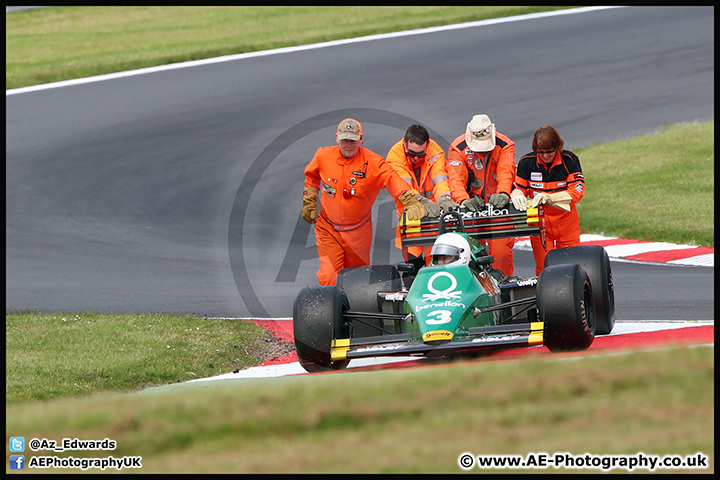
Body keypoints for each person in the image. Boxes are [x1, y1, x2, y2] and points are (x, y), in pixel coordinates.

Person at [301, 118, 427, 286]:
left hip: (358, 233)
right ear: (337, 138)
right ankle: (332, 309)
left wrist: (409, 198)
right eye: (345, 140)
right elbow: (312, 176)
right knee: (329, 277)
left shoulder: (373, 162)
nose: (349, 145)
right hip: (328, 230)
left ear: (361, 139)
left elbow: (391, 178)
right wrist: (309, 199)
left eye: (353, 141)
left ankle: (352, 309)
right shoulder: (323, 156)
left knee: (357, 280)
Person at [386, 123, 458, 286]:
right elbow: (403, 188)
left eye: (421, 154)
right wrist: (420, 201)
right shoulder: (394, 156)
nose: (416, 158)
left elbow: (440, 179)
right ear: (405, 145)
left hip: (436, 218)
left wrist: (444, 198)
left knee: (441, 266)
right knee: (414, 270)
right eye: (412, 154)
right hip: (412, 218)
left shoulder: (435, 152)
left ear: (427, 146)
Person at [446, 114, 517, 277]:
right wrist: (464, 200)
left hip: (499, 209)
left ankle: (504, 293)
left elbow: (506, 172)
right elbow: (456, 180)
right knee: (468, 258)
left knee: (501, 256)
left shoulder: (505, 144)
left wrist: (504, 194)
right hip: (470, 211)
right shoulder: (458, 147)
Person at [510, 125, 585, 275]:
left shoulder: (570, 160)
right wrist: (517, 194)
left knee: (571, 268)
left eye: (549, 151)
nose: (545, 156)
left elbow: (578, 191)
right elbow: (519, 188)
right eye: (541, 152)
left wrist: (551, 198)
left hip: (566, 222)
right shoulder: (527, 162)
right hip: (539, 223)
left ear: (557, 147)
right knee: (544, 268)